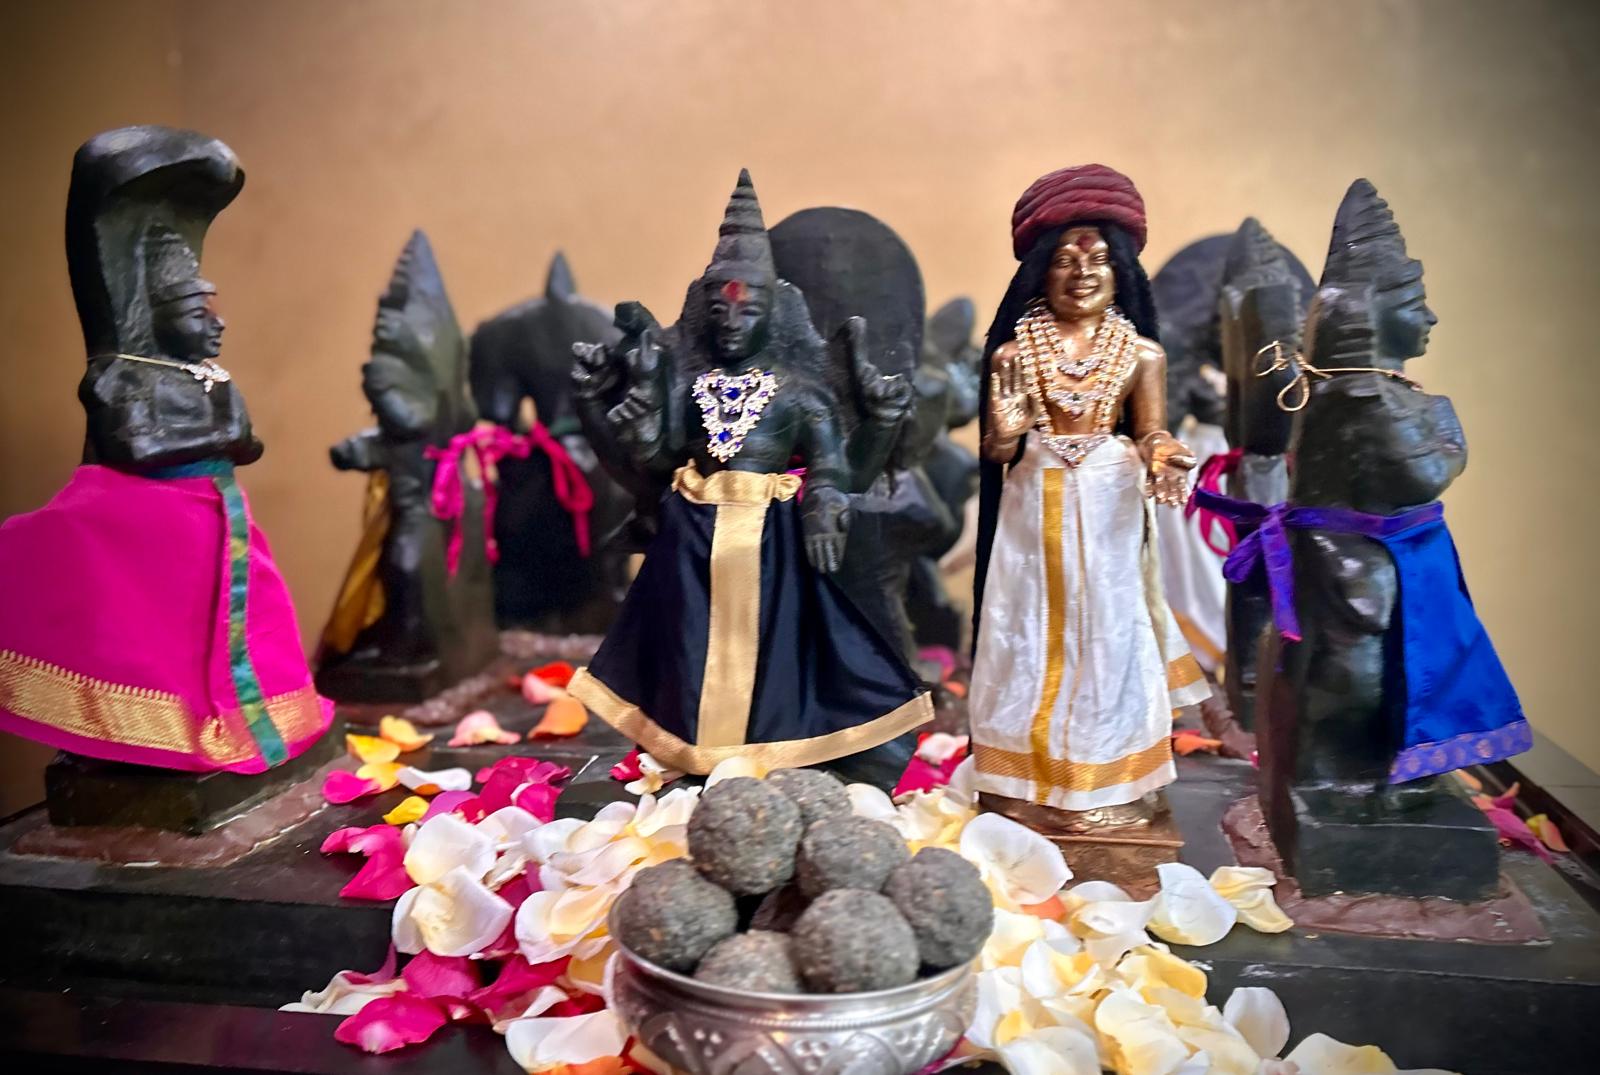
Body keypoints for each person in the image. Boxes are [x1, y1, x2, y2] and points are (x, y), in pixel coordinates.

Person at [970, 164, 1209, 832]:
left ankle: (1109, 777)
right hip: (1033, 502)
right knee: (1025, 635)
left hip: (1109, 499)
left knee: (1109, 635)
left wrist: (1163, 452)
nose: (1083, 274)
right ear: (1041, 272)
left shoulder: (1141, 354)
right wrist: (1006, 427)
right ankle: (1024, 780)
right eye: (1066, 262)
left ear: (1120, 272)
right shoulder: (1014, 354)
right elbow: (996, 450)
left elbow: (1150, 429)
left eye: (1099, 260)